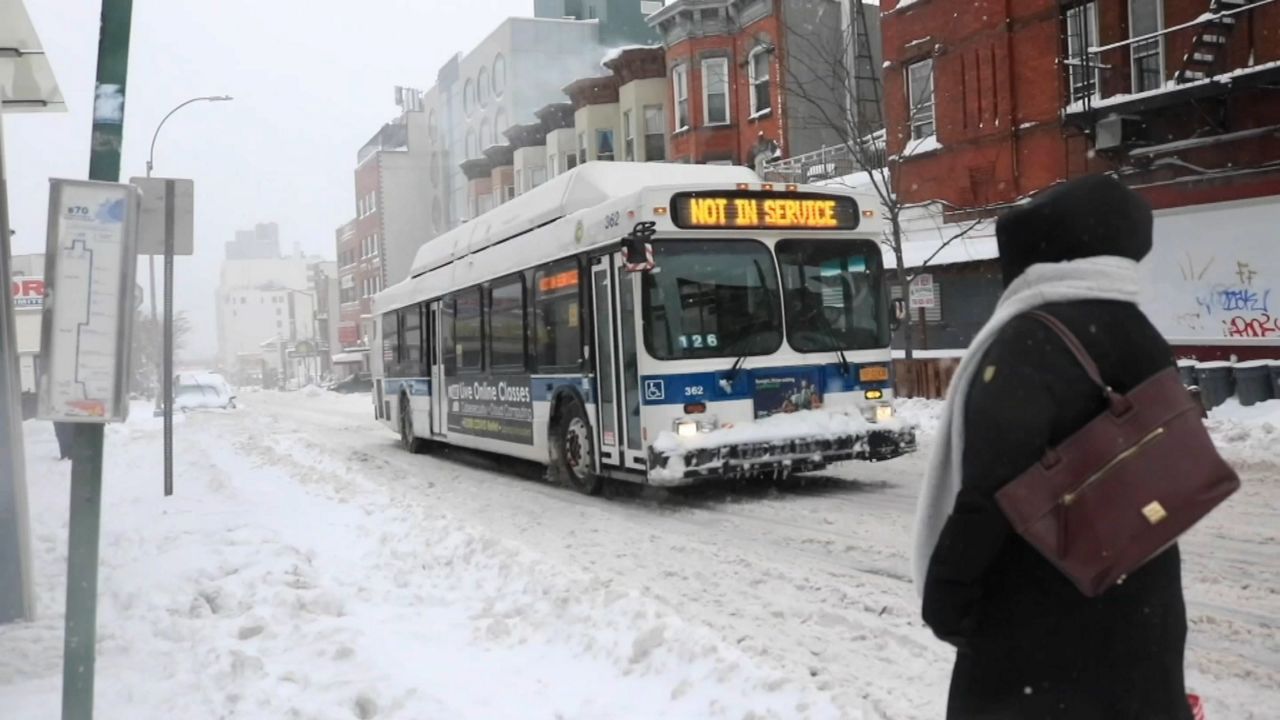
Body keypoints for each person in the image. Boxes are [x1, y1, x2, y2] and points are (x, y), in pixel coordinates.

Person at [912, 175, 1192, 719]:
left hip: (1039, 617)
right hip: (1144, 601)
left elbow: (993, 487)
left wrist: (948, 595)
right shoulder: (1139, 329)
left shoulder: (1028, 339)